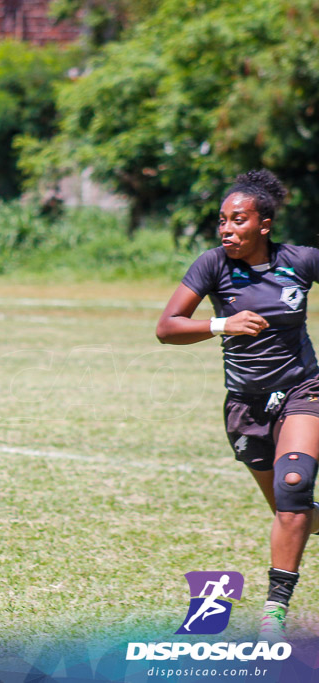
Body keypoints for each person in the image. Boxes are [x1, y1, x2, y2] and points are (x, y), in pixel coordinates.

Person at [156, 169, 319, 641]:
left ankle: (274, 613)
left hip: (303, 390)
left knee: (293, 486)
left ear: (264, 225)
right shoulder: (212, 266)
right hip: (245, 407)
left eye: (239, 220)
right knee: (294, 514)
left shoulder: (299, 260)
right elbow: (167, 327)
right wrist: (220, 325)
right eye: (222, 220)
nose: (227, 229)